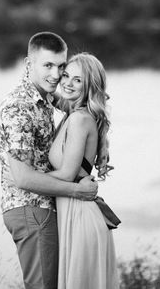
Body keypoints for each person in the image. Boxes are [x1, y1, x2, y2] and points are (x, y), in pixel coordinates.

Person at [0, 32, 98, 289]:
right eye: (48, 65)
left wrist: (102, 142)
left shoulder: (45, 98)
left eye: (61, 67)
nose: (56, 75)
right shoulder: (19, 107)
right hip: (32, 209)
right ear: (29, 64)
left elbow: (87, 106)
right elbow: (23, 178)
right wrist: (79, 190)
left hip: (43, 208)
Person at [47, 52, 119, 289]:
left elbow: (67, 175)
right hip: (73, 214)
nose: (67, 83)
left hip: (81, 218)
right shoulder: (75, 113)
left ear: (90, 85)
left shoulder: (80, 119)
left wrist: (24, 178)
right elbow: (51, 94)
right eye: (65, 75)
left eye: (77, 80)